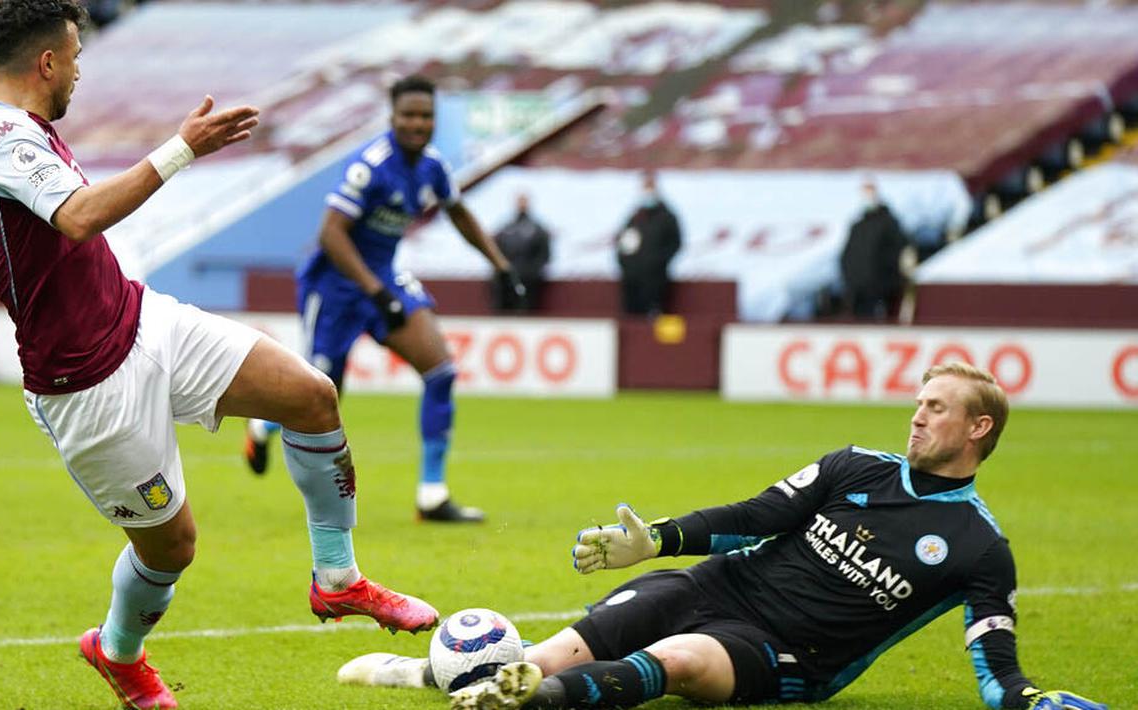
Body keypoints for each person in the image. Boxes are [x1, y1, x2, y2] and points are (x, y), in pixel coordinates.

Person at [0, 3, 437, 708]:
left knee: (309, 395)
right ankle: (116, 652)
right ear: (46, 61)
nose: (80, 70)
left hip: (141, 319)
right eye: (76, 56)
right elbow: (80, 218)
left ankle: (337, 580)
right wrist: (183, 150)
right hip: (83, 384)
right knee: (171, 549)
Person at [339, 362, 1108, 710]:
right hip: (715, 584)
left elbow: (993, 668)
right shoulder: (853, 466)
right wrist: (658, 541)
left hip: (790, 653)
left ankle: (521, 704)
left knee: (675, 662)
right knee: (558, 649)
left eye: (936, 407)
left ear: (978, 428)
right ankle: (434, 679)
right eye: (918, 401)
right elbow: (753, 518)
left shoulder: (979, 546)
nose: (916, 414)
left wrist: (1033, 702)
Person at [243, 75, 524, 523]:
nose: (417, 123)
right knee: (323, 392)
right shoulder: (370, 166)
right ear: (392, 117)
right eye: (408, 115)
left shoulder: (432, 167)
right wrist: (375, 292)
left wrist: (501, 264)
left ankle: (432, 495)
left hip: (383, 280)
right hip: (334, 288)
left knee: (441, 371)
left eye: (426, 115)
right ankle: (263, 425)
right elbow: (331, 235)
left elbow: (459, 212)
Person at [839, 178, 908, 320]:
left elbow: (899, 252)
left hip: (881, 292)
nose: (867, 197)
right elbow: (847, 256)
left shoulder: (889, 223)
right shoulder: (857, 226)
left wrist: (887, 283)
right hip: (857, 291)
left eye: (870, 192)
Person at [615, 170, 680, 317]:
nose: (647, 190)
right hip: (632, 282)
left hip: (656, 281)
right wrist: (626, 265)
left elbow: (675, 243)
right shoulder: (636, 216)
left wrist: (658, 262)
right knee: (632, 320)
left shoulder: (667, 216)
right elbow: (624, 243)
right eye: (645, 186)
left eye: (650, 185)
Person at [491, 192, 550, 312]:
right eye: (520, 202)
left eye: (524, 202)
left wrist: (532, 270)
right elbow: (496, 250)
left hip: (529, 275)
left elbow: (544, 254)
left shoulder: (537, 230)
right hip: (507, 273)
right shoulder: (506, 228)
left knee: (525, 299)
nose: (522, 205)